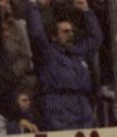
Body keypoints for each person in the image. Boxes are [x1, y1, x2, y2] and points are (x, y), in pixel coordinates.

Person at [26, 0, 103, 130]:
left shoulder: (78, 52)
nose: (70, 34)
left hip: (82, 105)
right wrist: (33, 6)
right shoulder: (48, 53)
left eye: (71, 31)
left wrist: (86, 11)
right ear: (54, 37)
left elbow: (96, 38)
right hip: (58, 106)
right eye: (65, 32)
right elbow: (37, 33)